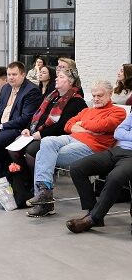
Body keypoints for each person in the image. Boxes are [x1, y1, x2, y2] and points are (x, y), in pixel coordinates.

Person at [26, 80, 126, 217]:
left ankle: (45, 200)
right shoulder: (87, 110)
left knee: (42, 155)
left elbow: (103, 125)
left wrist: (81, 124)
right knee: (47, 141)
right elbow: (68, 125)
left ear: (110, 93)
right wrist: (89, 128)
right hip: (72, 139)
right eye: (94, 95)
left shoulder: (118, 111)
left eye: (100, 95)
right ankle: (45, 193)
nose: (96, 99)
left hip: (92, 147)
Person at [7, 69, 87, 205]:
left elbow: (63, 125)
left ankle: (40, 189)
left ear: (70, 81)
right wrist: (28, 128)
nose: (56, 78)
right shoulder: (52, 96)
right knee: (13, 148)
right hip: (38, 133)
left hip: (57, 137)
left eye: (60, 77)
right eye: (57, 76)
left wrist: (42, 134)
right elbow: (37, 116)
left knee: (32, 150)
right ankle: (26, 183)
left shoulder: (76, 101)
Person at [67, 111, 132, 233]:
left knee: (114, 177)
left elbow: (122, 133)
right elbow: (118, 132)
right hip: (117, 150)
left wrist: (126, 134)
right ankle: (93, 212)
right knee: (77, 168)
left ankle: (93, 218)